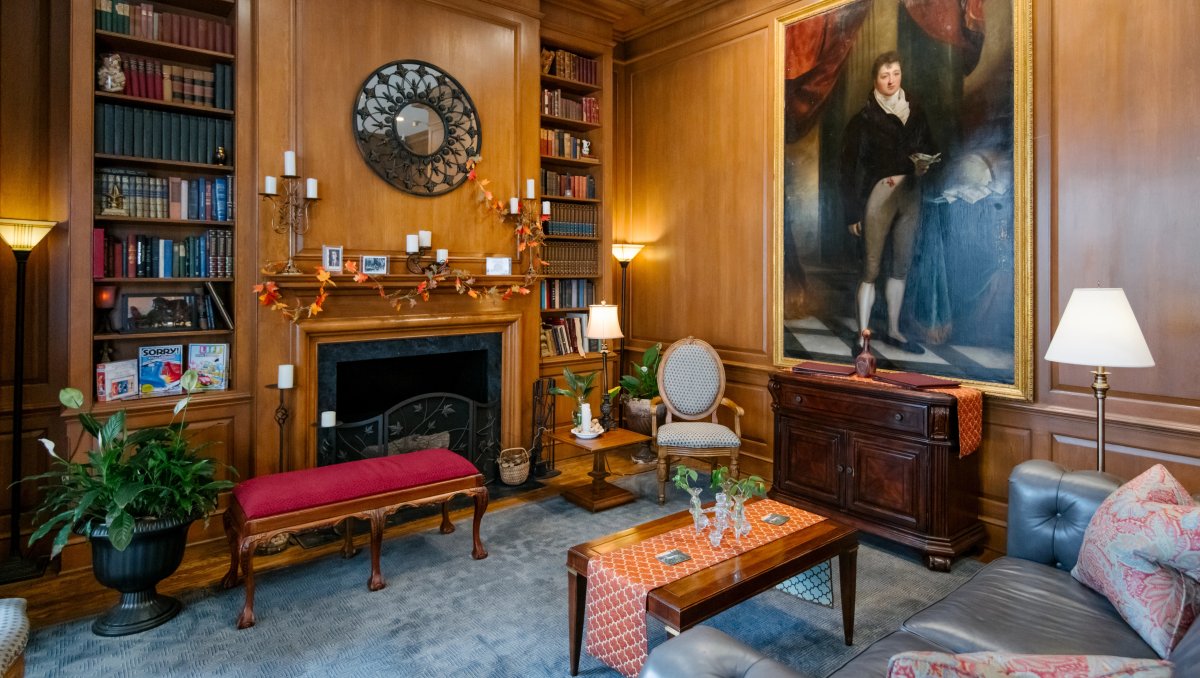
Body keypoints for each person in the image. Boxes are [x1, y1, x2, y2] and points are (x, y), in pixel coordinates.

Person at [841, 51, 939, 354]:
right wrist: (853, 213)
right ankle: (863, 337)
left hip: (910, 195)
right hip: (878, 197)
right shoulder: (863, 120)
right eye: (884, 75)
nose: (891, 80)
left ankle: (895, 330)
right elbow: (848, 169)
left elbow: (931, 147)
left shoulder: (916, 112)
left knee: (900, 267)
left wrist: (925, 164)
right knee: (871, 268)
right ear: (875, 80)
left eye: (895, 73)